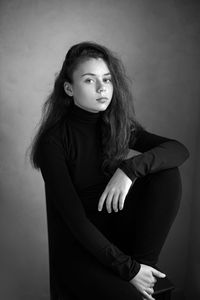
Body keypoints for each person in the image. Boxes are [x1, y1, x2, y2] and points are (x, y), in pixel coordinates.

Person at [28, 41, 190, 300]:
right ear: (69, 88)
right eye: (90, 80)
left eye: (107, 79)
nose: (102, 88)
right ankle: (139, 271)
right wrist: (129, 270)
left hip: (120, 240)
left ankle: (146, 265)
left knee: (166, 172)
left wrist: (130, 169)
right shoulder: (54, 142)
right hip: (79, 251)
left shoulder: (116, 124)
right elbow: (76, 222)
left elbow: (178, 149)